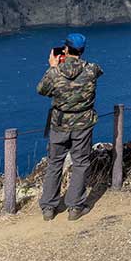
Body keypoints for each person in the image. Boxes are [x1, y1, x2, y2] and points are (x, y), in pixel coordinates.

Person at [37, 33, 103, 221]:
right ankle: (75, 207)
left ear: (65, 49)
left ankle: (49, 208)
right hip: (83, 123)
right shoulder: (91, 69)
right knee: (81, 163)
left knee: (54, 163)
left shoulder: (55, 72)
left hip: (59, 123)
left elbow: (41, 90)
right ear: (82, 50)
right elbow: (99, 71)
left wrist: (53, 66)